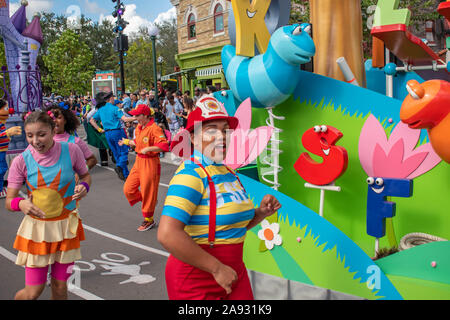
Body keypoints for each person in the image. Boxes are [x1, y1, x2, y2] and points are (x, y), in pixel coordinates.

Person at [158, 95, 281, 300]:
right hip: (196, 280)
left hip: (233, 273)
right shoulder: (190, 174)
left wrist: (261, 212)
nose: (222, 136)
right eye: (211, 130)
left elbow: (227, 226)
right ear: (193, 137)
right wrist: (216, 268)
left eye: (225, 130)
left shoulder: (227, 172)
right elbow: (167, 234)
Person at [5, 110, 91, 300]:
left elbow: (85, 175)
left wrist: (84, 186)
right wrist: (21, 204)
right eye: (30, 135)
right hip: (37, 233)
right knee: (33, 292)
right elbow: (9, 202)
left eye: (41, 134)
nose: (36, 140)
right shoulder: (21, 162)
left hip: (66, 230)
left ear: (53, 130)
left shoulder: (72, 150)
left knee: (60, 288)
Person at [119, 104, 169, 231]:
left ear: (145, 115)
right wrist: (126, 141)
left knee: (148, 190)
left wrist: (149, 149)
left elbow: (164, 146)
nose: (134, 117)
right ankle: (149, 200)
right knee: (128, 189)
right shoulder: (138, 128)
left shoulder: (154, 128)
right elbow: (137, 143)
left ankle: (149, 220)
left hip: (150, 162)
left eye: (137, 115)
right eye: (134, 115)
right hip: (139, 161)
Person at [89, 91, 135, 181]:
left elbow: (91, 120)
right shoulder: (114, 108)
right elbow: (125, 119)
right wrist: (136, 117)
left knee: (116, 153)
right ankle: (119, 167)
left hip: (107, 133)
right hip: (117, 131)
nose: (114, 99)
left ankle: (125, 175)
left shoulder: (101, 109)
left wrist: (99, 129)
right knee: (123, 151)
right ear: (110, 99)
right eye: (113, 97)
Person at [46, 105, 98, 170]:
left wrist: (81, 171)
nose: (55, 120)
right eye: (52, 118)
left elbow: (92, 160)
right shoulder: (43, 141)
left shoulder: (76, 141)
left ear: (65, 120)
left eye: (59, 118)